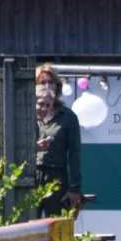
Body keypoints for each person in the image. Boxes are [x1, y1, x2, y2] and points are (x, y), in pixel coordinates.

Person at [33, 64, 84, 218]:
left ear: (58, 86)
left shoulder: (68, 117)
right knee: (26, 225)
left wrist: (75, 188)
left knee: (55, 226)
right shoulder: (26, 113)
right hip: (31, 175)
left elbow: (74, 153)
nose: (47, 86)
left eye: (51, 82)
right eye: (42, 82)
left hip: (56, 177)